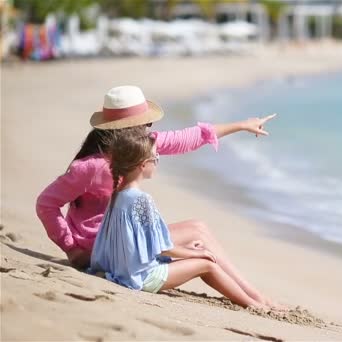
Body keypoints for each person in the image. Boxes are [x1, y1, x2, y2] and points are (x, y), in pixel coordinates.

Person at [36, 85, 279, 307]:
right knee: (198, 232)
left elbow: (188, 138)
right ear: (129, 130)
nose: (150, 130)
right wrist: (71, 248)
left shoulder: (135, 150)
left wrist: (242, 124)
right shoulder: (90, 167)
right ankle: (257, 298)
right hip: (102, 249)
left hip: (122, 241)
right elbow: (47, 203)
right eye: (146, 124)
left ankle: (252, 295)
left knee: (196, 232)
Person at [89, 131, 265, 308]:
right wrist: (195, 253)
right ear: (143, 165)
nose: (157, 162)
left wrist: (187, 249)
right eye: (155, 158)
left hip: (123, 270)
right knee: (207, 265)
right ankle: (254, 304)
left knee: (198, 251)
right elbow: (161, 248)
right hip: (143, 277)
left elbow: (141, 245)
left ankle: (254, 300)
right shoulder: (141, 200)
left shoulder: (118, 195)